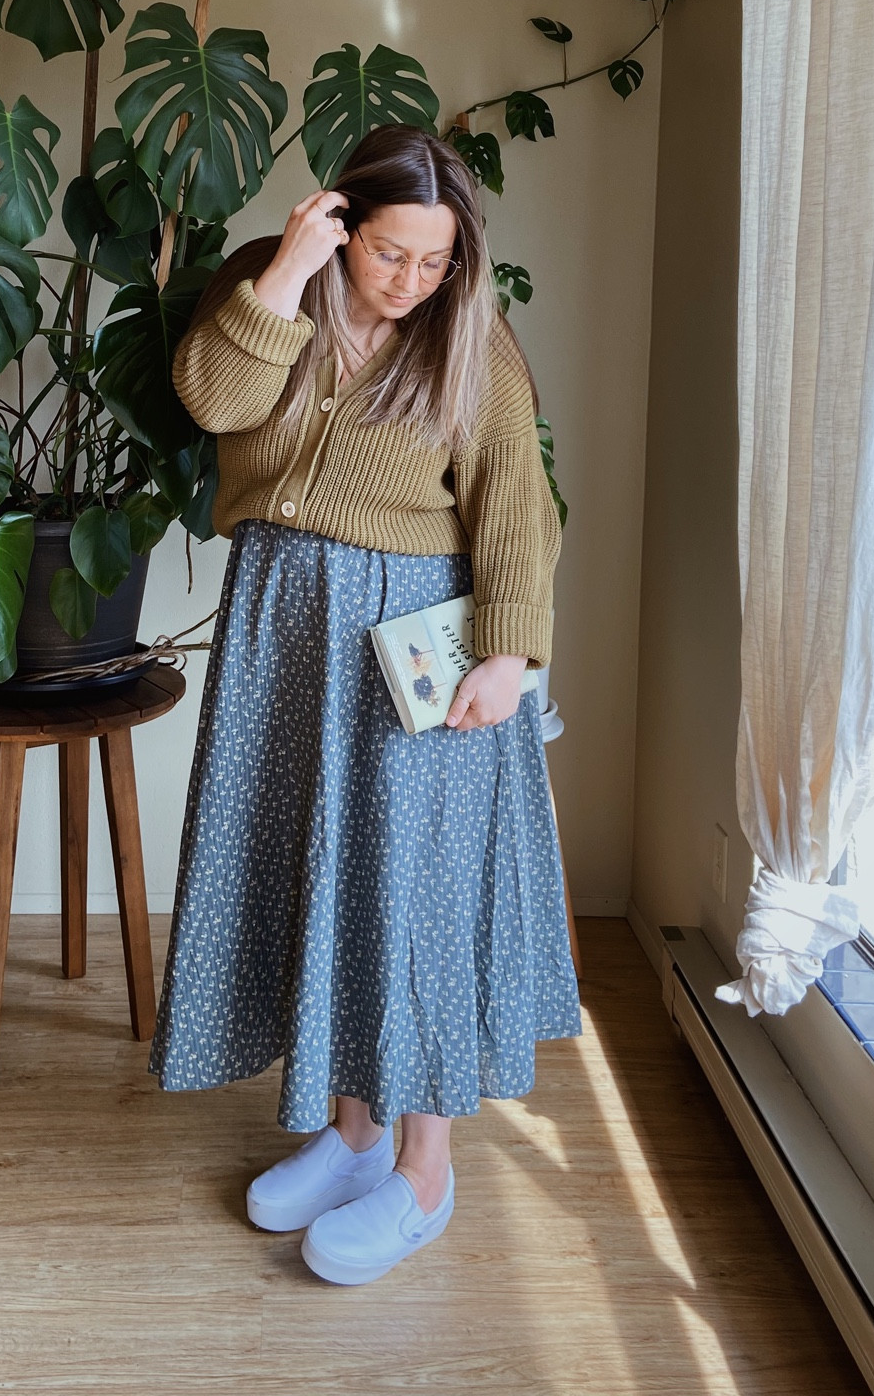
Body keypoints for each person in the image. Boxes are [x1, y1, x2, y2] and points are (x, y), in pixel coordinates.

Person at [148, 123, 580, 1286]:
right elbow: (212, 400)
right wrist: (287, 273)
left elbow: (517, 500)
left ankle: (424, 1173)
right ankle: (352, 1136)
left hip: (415, 648)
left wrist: (509, 651)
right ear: (339, 221)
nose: (411, 280)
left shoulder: (472, 338)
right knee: (324, 876)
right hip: (286, 630)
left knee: (411, 892)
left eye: (435, 261)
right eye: (390, 252)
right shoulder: (271, 285)